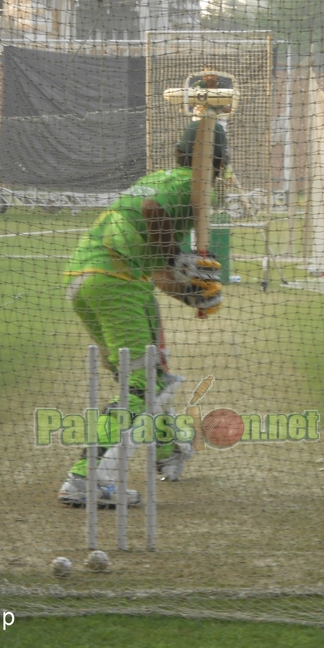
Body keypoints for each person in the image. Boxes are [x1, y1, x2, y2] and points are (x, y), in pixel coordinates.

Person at [58, 121, 228, 506]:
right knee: (142, 387)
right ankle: (86, 479)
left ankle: (168, 450)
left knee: (150, 376)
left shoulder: (161, 178)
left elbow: (157, 270)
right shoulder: (194, 186)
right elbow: (153, 217)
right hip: (116, 282)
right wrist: (176, 255)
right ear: (218, 163)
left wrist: (190, 294)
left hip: (94, 279)